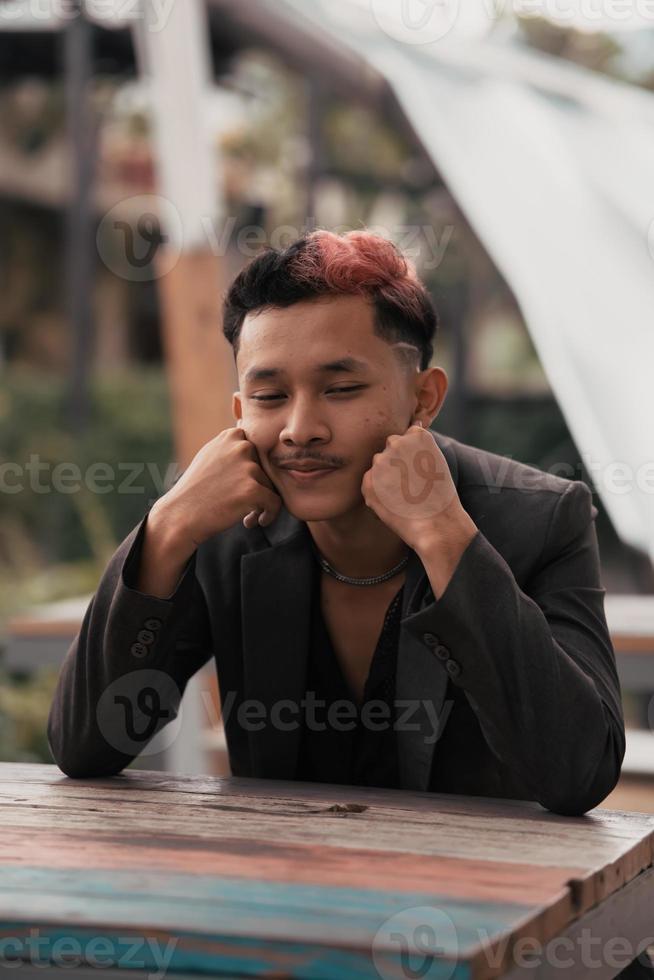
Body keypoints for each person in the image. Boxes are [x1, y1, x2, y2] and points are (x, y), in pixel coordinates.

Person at [47, 229, 647, 975]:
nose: (300, 428)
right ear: (240, 412)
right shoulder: (226, 527)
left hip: (500, 935)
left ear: (422, 399)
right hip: (289, 932)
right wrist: (165, 527)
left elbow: (579, 772)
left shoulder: (538, 518)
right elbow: (85, 745)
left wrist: (446, 538)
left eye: (341, 388)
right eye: (269, 396)